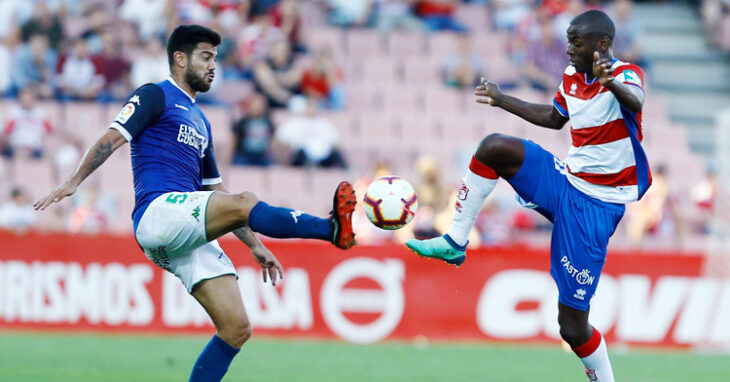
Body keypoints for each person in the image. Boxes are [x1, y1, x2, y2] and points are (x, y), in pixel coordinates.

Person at [34, 25, 356, 382]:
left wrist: (255, 245)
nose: (212, 66)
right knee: (245, 200)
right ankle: (330, 229)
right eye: (205, 57)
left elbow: (216, 190)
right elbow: (113, 137)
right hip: (158, 212)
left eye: (215, 58)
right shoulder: (155, 95)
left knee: (236, 328)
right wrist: (74, 181)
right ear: (180, 58)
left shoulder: (201, 121)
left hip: (181, 231)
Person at [406, 10, 650, 382]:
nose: (568, 48)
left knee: (571, 326)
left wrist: (610, 84)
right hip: (567, 181)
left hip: (597, 205)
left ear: (602, 44)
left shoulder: (624, 74)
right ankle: (456, 240)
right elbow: (555, 118)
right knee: (493, 147)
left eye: (575, 41)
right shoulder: (572, 76)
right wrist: (502, 100)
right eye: (568, 39)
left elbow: (634, 100)